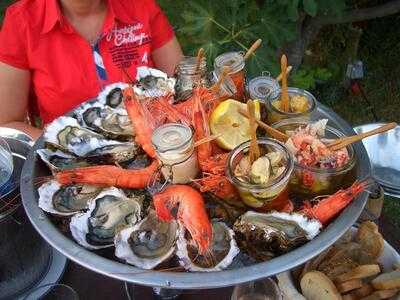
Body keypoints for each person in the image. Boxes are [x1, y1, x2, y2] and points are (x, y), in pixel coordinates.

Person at [0, 0, 183, 139]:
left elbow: (184, 88)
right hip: (71, 160)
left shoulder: (141, 6)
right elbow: (6, 123)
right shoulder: (21, 21)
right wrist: (61, 147)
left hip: (155, 140)